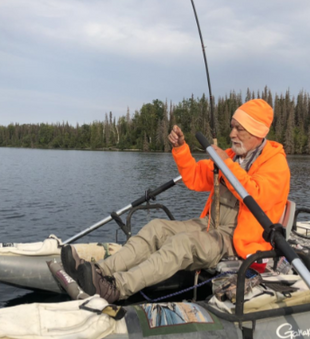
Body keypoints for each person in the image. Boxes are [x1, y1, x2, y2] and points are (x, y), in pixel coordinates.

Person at [61, 99, 290, 303]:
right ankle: (99, 271)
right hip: (213, 225)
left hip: (240, 240)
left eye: (239, 129)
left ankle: (116, 288)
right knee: (157, 228)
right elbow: (193, 178)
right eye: (232, 126)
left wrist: (226, 165)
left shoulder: (275, 163)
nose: (232, 134)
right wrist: (180, 148)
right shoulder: (231, 156)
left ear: (257, 132)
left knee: (181, 244)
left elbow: (256, 196)